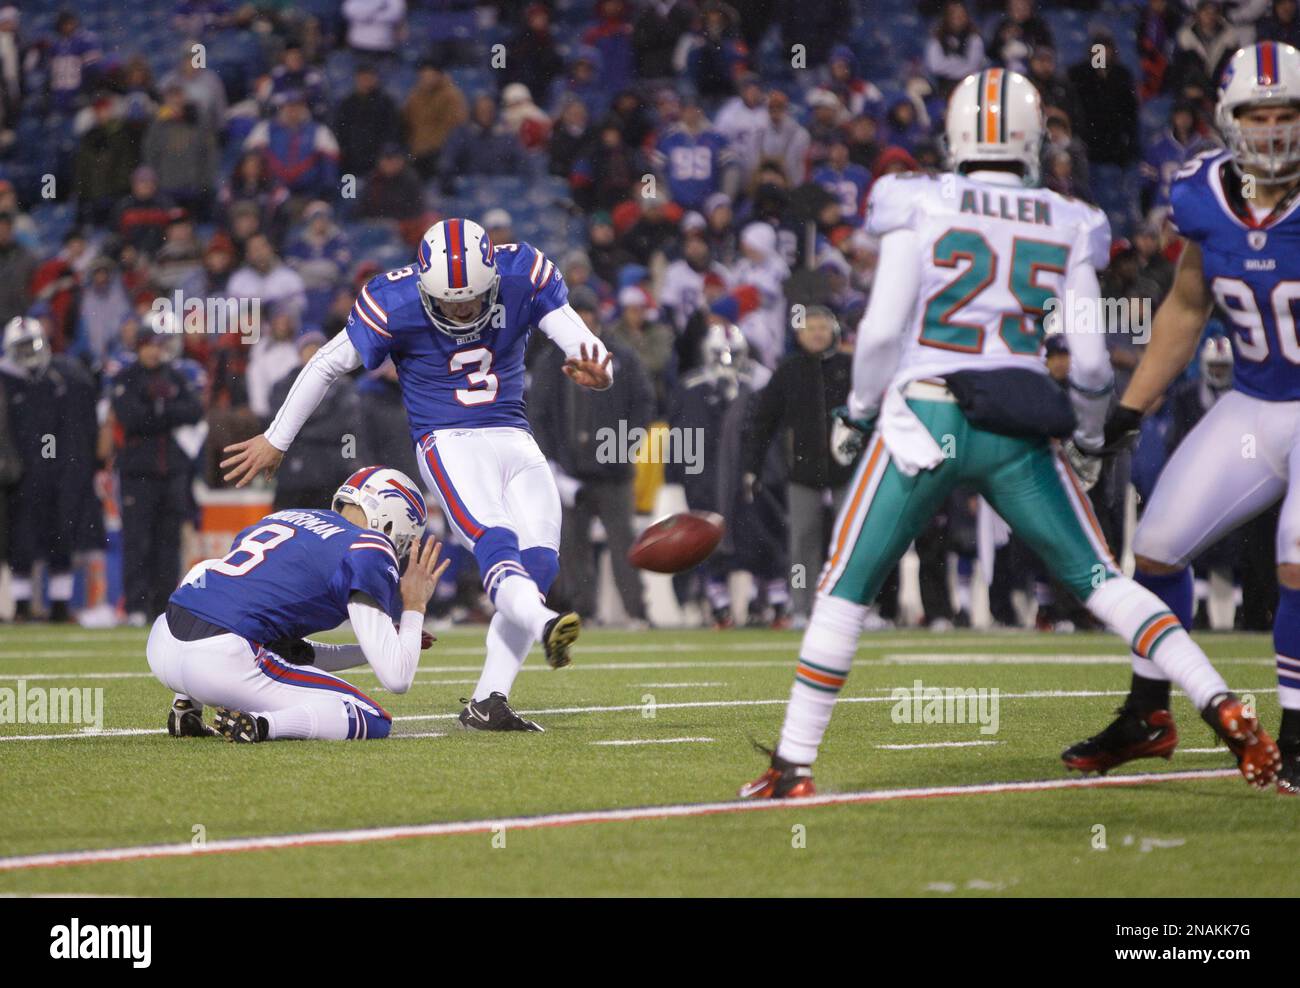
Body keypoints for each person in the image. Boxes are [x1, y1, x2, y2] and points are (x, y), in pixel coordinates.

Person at [741, 68, 1279, 800]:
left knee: (844, 592)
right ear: (1031, 139)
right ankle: (1220, 701)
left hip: (925, 415)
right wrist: (1090, 439)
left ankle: (793, 766)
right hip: (1018, 419)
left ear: (956, 134)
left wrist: (861, 412)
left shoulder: (916, 199)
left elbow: (878, 334)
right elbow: (1089, 362)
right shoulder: (1066, 218)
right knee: (1105, 582)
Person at [221, 219, 614, 732]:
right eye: (450, 302)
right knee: (494, 538)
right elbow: (326, 363)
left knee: (539, 564)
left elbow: (585, 346)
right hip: (448, 440)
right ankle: (545, 625)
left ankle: (488, 700)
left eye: (473, 299)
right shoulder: (395, 300)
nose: (463, 311)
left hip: (513, 435)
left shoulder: (522, 273)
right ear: (427, 288)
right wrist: (277, 436)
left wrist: (601, 371)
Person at [1068, 43, 1300, 794]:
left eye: (1287, 114)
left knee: (1298, 560)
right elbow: (1187, 305)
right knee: (1159, 548)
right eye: (1257, 115)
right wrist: (1131, 407)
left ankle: (1297, 733)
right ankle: (1148, 714)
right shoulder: (1200, 190)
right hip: (1256, 402)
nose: (1272, 130)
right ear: (1227, 120)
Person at [149, 466, 447, 742]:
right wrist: (415, 605)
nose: (401, 551)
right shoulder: (370, 547)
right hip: (221, 663)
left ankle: (185, 705)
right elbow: (397, 678)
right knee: (373, 718)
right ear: (390, 523)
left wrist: (374, 649)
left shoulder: (284, 517)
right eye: (405, 541)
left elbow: (296, 655)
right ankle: (263, 725)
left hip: (164, 641)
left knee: (210, 571)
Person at [529, 286, 653, 627]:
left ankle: (636, 611)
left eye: (588, 314)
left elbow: (644, 403)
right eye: (578, 314)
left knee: (624, 544)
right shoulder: (551, 360)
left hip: (614, 472)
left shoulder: (621, 356)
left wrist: (624, 445)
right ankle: (582, 611)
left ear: (597, 317)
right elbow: (537, 413)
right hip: (571, 471)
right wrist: (553, 463)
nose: (584, 320)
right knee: (572, 547)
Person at [741, 306, 856, 625]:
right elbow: (763, 423)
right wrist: (753, 467)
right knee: (802, 542)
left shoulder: (850, 367)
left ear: (833, 330)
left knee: (853, 541)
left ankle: (853, 606)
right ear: (799, 334)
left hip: (847, 469)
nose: (817, 333)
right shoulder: (788, 372)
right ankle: (802, 606)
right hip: (803, 472)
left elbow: (870, 417)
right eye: (810, 328)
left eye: (822, 326)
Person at [0, 317, 99, 622]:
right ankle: (19, 605)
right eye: (22, 346)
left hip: (57, 471)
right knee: (20, 540)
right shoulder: (7, 379)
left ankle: (59, 605)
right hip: (18, 474)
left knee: (60, 536)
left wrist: (70, 463)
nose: (29, 352)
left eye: (32, 344)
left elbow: (74, 429)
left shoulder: (63, 376)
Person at [111, 323, 204, 625]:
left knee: (168, 542)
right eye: (147, 344)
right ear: (138, 347)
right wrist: (166, 411)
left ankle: (162, 606)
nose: (153, 350)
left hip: (171, 471)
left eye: (157, 344)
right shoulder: (126, 377)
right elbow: (131, 418)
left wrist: (157, 410)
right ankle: (136, 606)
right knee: (138, 540)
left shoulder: (175, 375)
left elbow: (194, 410)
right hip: (138, 471)